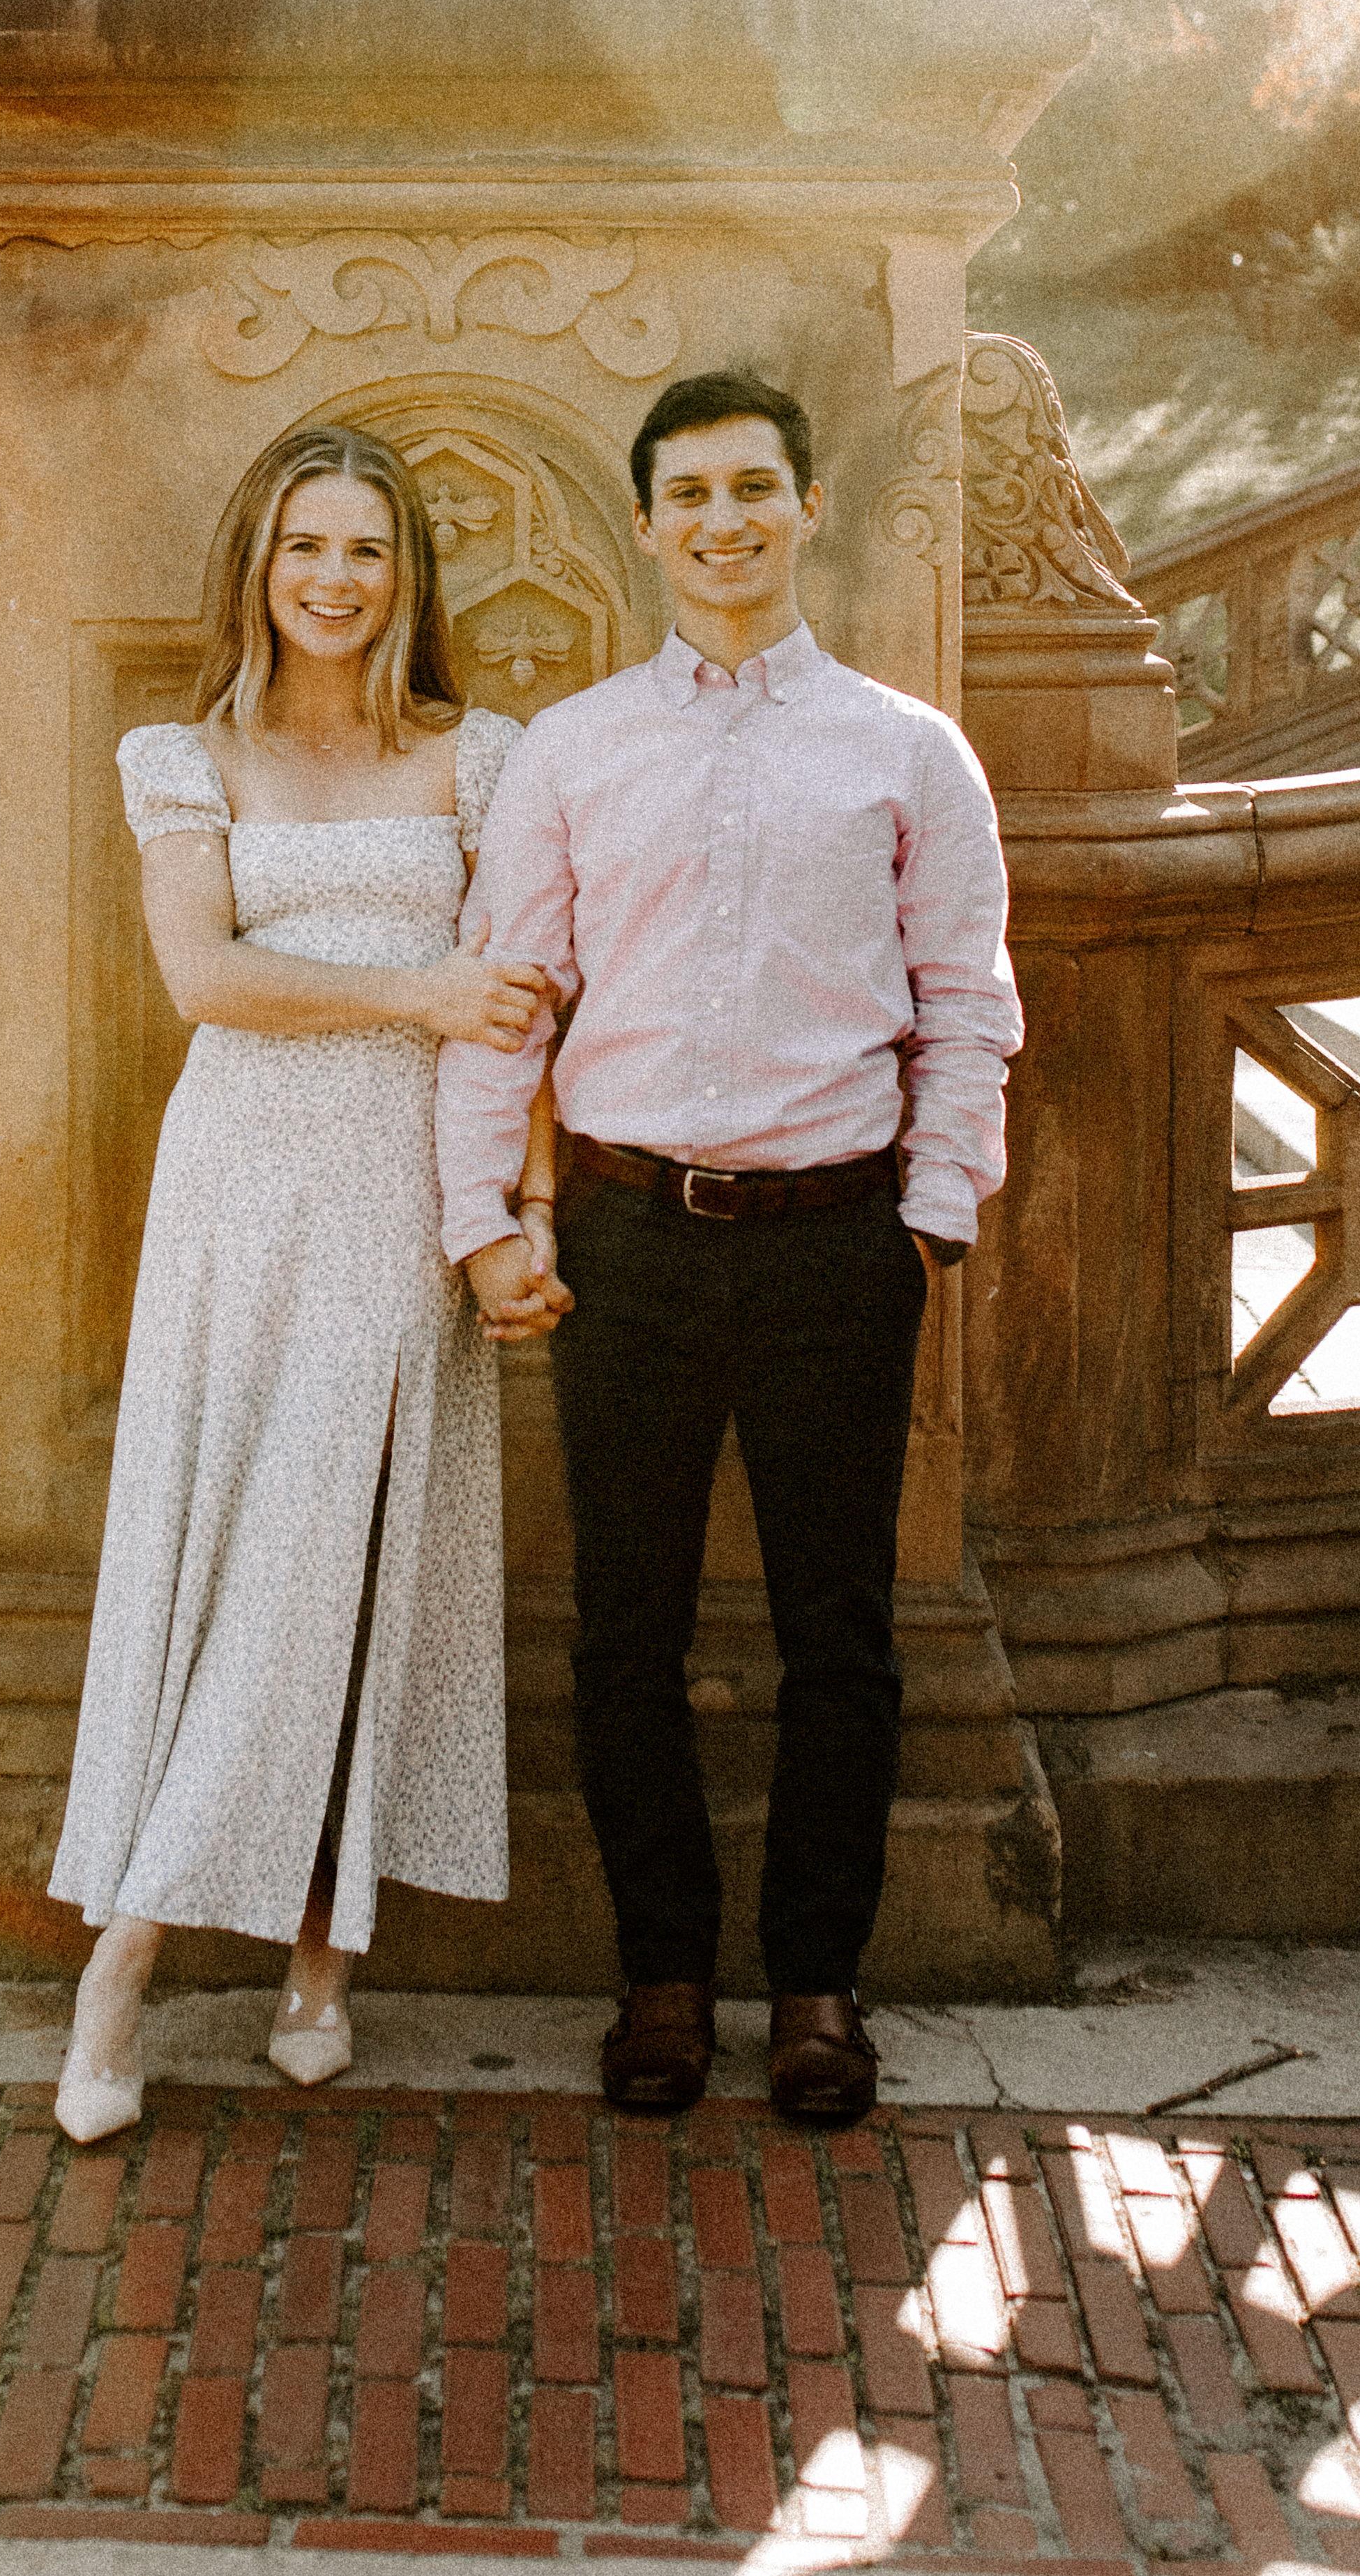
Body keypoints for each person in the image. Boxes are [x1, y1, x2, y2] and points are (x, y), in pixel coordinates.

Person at [436, 370, 1023, 2126]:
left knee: (837, 1632)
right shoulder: (574, 748)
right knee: (625, 1630)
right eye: (686, 494)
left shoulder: (907, 748)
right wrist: (482, 1220)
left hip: (835, 1240)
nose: (722, 520)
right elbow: (506, 1002)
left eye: (752, 487)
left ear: (805, 502)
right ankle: (664, 1976)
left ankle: (822, 1988)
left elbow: (964, 1001)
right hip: (627, 1239)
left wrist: (930, 1213)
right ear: (643, 524)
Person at [49, 422, 566, 2144]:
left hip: (395, 1198)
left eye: (363, 550)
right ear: (255, 569)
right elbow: (202, 975)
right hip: (235, 1187)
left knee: (350, 1549)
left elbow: (529, 1002)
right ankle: (121, 1957)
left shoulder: (481, 758)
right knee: (228, 1542)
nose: (333, 580)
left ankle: (320, 1953)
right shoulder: (182, 756)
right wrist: (417, 991)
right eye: (302, 548)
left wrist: (524, 1198)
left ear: (405, 574)